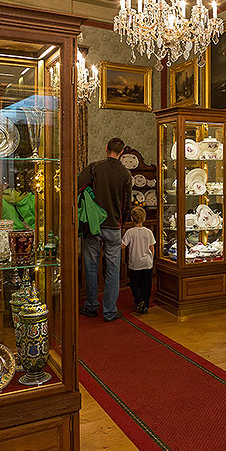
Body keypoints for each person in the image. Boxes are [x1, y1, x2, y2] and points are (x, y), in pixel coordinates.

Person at [78, 137, 132, 322]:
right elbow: (127, 204)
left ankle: (91, 306)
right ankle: (110, 311)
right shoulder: (125, 174)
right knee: (113, 270)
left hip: (93, 226)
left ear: (106, 148)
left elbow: (77, 187)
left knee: (91, 267)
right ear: (122, 152)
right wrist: (121, 222)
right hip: (114, 227)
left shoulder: (95, 167)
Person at [121, 206, 155, 314]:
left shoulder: (130, 232)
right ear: (144, 219)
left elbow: (122, 246)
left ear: (131, 218)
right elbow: (152, 247)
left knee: (134, 284)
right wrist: (151, 259)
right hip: (147, 262)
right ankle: (145, 303)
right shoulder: (148, 232)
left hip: (135, 263)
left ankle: (139, 300)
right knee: (147, 284)